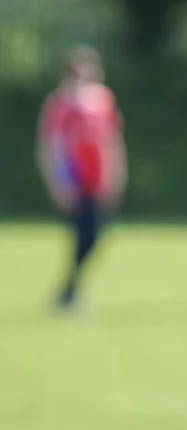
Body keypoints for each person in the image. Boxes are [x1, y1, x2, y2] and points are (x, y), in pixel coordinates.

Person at [35, 45, 125, 311]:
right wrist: (59, 184)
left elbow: (112, 141)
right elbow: (52, 146)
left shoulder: (103, 100)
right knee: (83, 234)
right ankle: (70, 292)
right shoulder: (60, 104)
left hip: (98, 181)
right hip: (75, 181)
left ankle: (69, 289)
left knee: (95, 235)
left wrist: (116, 174)